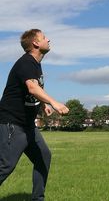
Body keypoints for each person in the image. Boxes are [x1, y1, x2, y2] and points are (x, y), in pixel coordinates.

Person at [0, 29, 69, 201]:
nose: (48, 39)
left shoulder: (35, 64)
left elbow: (34, 88)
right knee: (5, 166)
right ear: (36, 43)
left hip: (28, 125)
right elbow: (32, 87)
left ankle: (38, 198)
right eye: (44, 37)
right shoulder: (26, 63)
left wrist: (43, 105)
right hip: (13, 124)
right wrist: (54, 102)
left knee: (43, 157)